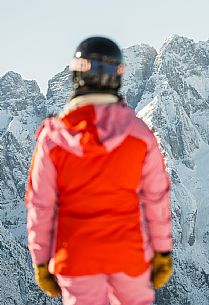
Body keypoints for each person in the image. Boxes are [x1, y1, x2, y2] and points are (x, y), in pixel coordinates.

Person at [25, 36, 173, 305]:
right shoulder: (139, 134)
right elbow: (156, 198)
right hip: (128, 255)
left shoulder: (54, 137)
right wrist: (162, 252)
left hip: (76, 258)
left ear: (77, 74)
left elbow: (41, 205)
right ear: (118, 75)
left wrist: (41, 260)